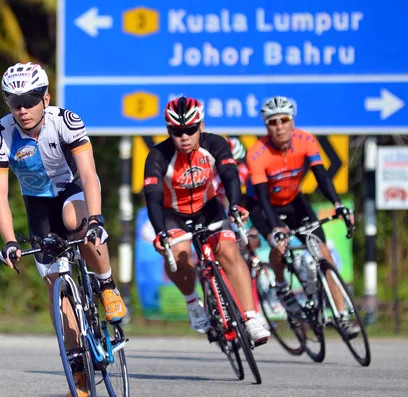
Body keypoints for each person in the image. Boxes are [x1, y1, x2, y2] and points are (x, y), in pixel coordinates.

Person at [0, 62, 127, 397]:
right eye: (14, 101)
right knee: (56, 290)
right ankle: (78, 375)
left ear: (45, 98)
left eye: (30, 99)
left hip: (71, 190)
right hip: (37, 204)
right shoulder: (0, 136)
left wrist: (94, 219)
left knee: (74, 222)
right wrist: (8, 240)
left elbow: (90, 174)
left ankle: (107, 286)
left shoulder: (66, 121)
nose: (22, 109)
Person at [143, 96, 271, 344]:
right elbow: (153, 199)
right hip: (173, 214)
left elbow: (230, 177)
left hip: (207, 207)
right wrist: (161, 232)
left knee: (229, 252)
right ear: (169, 130)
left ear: (201, 126)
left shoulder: (215, 143)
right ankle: (192, 302)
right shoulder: (158, 156)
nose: (184, 136)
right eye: (177, 131)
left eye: (190, 129)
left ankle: (251, 318)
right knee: (178, 253)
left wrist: (234, 205)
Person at [246, 96, 359, 336]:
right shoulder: (257, 154)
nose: (279, 126)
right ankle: (282, 286)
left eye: (284, 120)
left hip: (295, 201)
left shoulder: (306, 140)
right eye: (273, 122)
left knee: (323, 253)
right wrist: (275, 228)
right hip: (265, 206)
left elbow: (322, 176)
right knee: (278, 245)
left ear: (292, 121)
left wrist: (338, 204)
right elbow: (263, 198)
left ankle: (341, 316)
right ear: (266, 126)